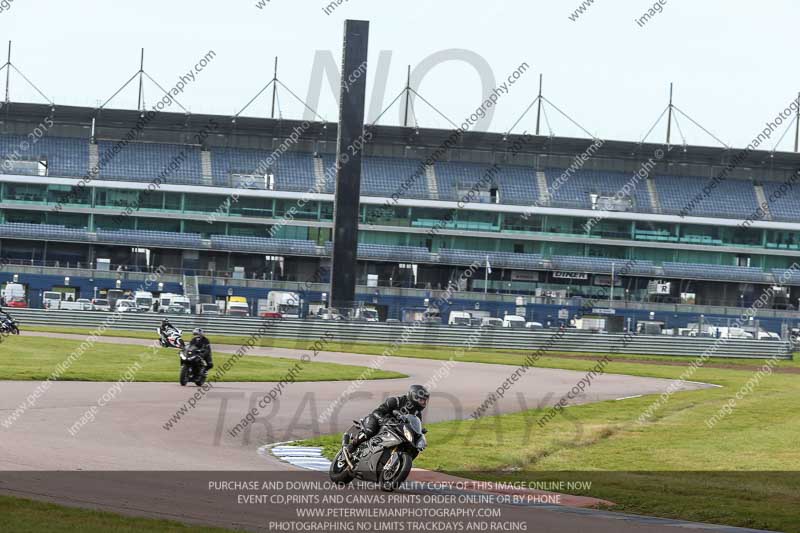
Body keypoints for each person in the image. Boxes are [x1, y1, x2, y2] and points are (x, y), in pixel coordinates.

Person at [345, 385, 429, 455]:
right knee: (369, 431)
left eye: (425, 400)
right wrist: (383, 419)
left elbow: (415, 426)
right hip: (378, 421)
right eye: (421, 400)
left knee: (411, 446)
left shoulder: (417, 414)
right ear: (413, 396)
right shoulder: (396, 401)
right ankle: (352, 445)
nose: (423, 403)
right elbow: (377, 411)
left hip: (394, 431)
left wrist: (420, 431)